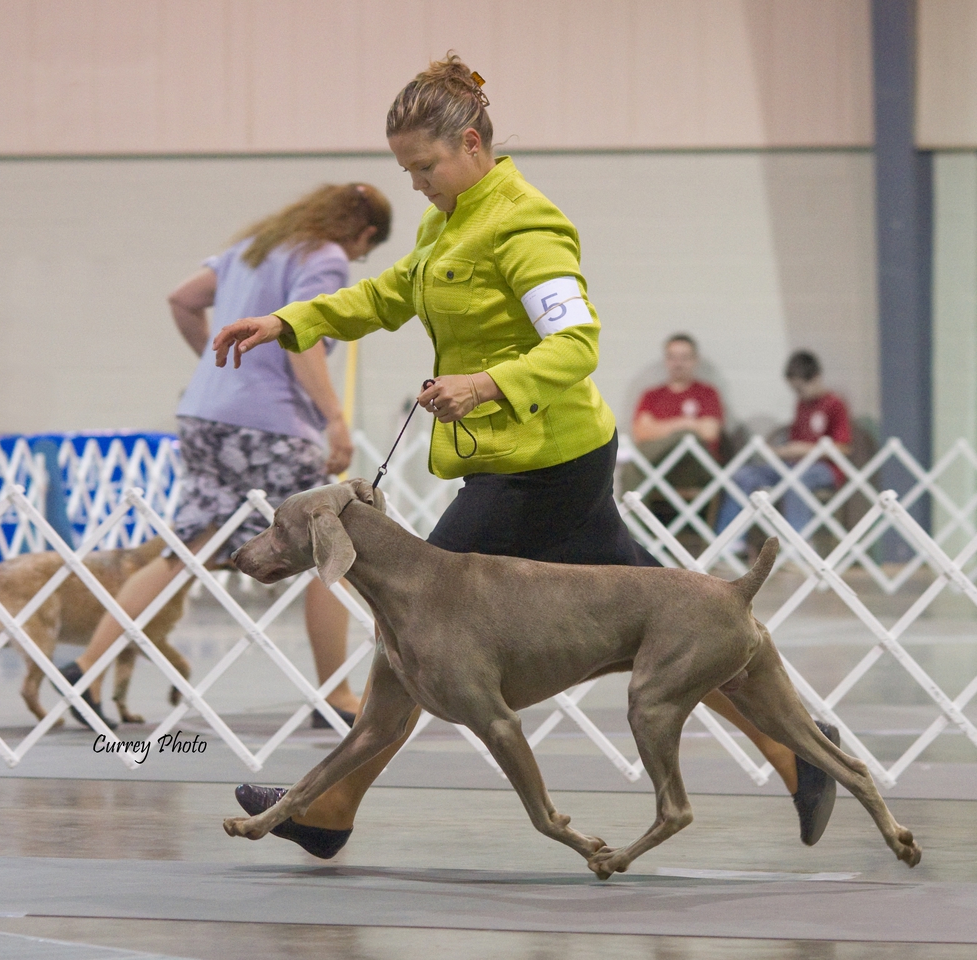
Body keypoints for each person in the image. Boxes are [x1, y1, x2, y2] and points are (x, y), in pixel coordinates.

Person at [212, 54, 838, 854]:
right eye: (405, 171)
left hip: (544, 461)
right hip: (530, 457)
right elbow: (388, 294)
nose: (416, 185)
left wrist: (487, 385)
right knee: (686, 616)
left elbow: (576, 344)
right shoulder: (450, 219)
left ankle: (330, 809)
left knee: (415, 619)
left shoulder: (526, 222)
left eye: (425, 166)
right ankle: (801, 754)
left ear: (472, 143)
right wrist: (292, 322)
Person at [61, 183, 393, 730]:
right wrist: (334, 416)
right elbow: (304, 337)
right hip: (270, 425)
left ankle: (88, 666)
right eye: (365, 249)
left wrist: (217, 366)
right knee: (333, 545)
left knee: (185, 549)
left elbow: (183, 299)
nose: (358, 259)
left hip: (203, 416)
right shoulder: (325, 256)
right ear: (361, 233)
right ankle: (335, 695)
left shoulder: (255, 246)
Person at [715, 350, 853, 538]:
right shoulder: (801, 404)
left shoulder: (835, 404)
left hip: (824, 469)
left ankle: (796, 543)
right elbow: (794, 442)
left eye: (800, 388)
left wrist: (805, 450)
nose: (798, 394)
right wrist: (779, 451)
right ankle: (730, 540)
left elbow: (843, 448)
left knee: (795, 480)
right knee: (743, 475)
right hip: (793, 464)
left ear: (817, 378)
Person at [626, 334, 726, 519]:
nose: (678, 363)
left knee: (687, 438)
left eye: (684, 358)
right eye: (672, 357)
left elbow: (710, 432)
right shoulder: (651, 395)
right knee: (684, 434)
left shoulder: (707, 393)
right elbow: (641, 432)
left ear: (695, 360)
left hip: (693, 469)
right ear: (666, 360)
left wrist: (663, 429)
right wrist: (686, 423)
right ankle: (637, 539)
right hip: (659, 468)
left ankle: (633, 540)